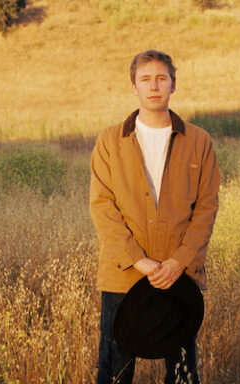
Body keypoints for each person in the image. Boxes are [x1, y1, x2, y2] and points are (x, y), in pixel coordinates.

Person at [89, 49, 220, 384]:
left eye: (162, 78)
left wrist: (178, 262)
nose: (154, 86)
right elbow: (102, 207)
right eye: (145, 79)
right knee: (115, 373)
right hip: (123, 275)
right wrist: (139, 261)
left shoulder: (199, 141)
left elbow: (206, 208)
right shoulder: (109, 141)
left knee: (183, 373)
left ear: (173, 85)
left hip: (178, 277)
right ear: (133, 86)